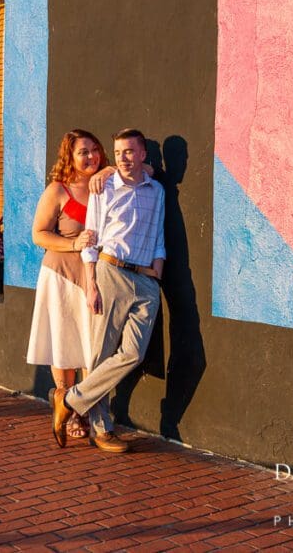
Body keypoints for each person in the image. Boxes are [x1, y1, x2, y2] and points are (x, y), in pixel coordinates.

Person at [52, 128, 165, 453]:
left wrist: (159, 265)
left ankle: (69, 400)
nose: (124, 158)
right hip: (110, 271)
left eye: (130, 152)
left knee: (133, 354)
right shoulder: (103, 188)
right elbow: (92, 236)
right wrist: (91, 283)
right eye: (119, 153)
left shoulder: (156, 190)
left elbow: (158, 233)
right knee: (100, 355)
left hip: (146, 281)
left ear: (143, 155)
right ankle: (102, 430)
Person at [27, 129, 110, 440]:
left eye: (95, 149)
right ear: (70, 157)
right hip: (61, 277)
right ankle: (66, 404)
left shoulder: (107, 185)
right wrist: (74, 244)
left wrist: (112, 169)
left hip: (97, 281)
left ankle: (82, 407)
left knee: (91, 347)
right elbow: (39, 234)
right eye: (82, 152)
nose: (90, 157)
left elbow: (149, 172)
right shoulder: (58, 191)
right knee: (64, 345)